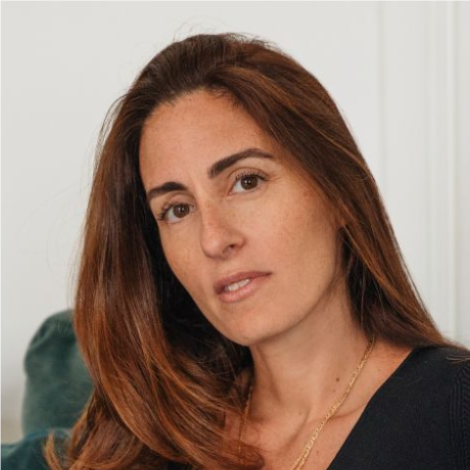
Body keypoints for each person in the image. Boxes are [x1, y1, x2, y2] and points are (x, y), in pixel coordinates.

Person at [26, 32, 468, 470]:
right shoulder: (147, 440)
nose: (214, 239)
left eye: (246, 181)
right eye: (178, 209)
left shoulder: (454, 412)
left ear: (339, 193)